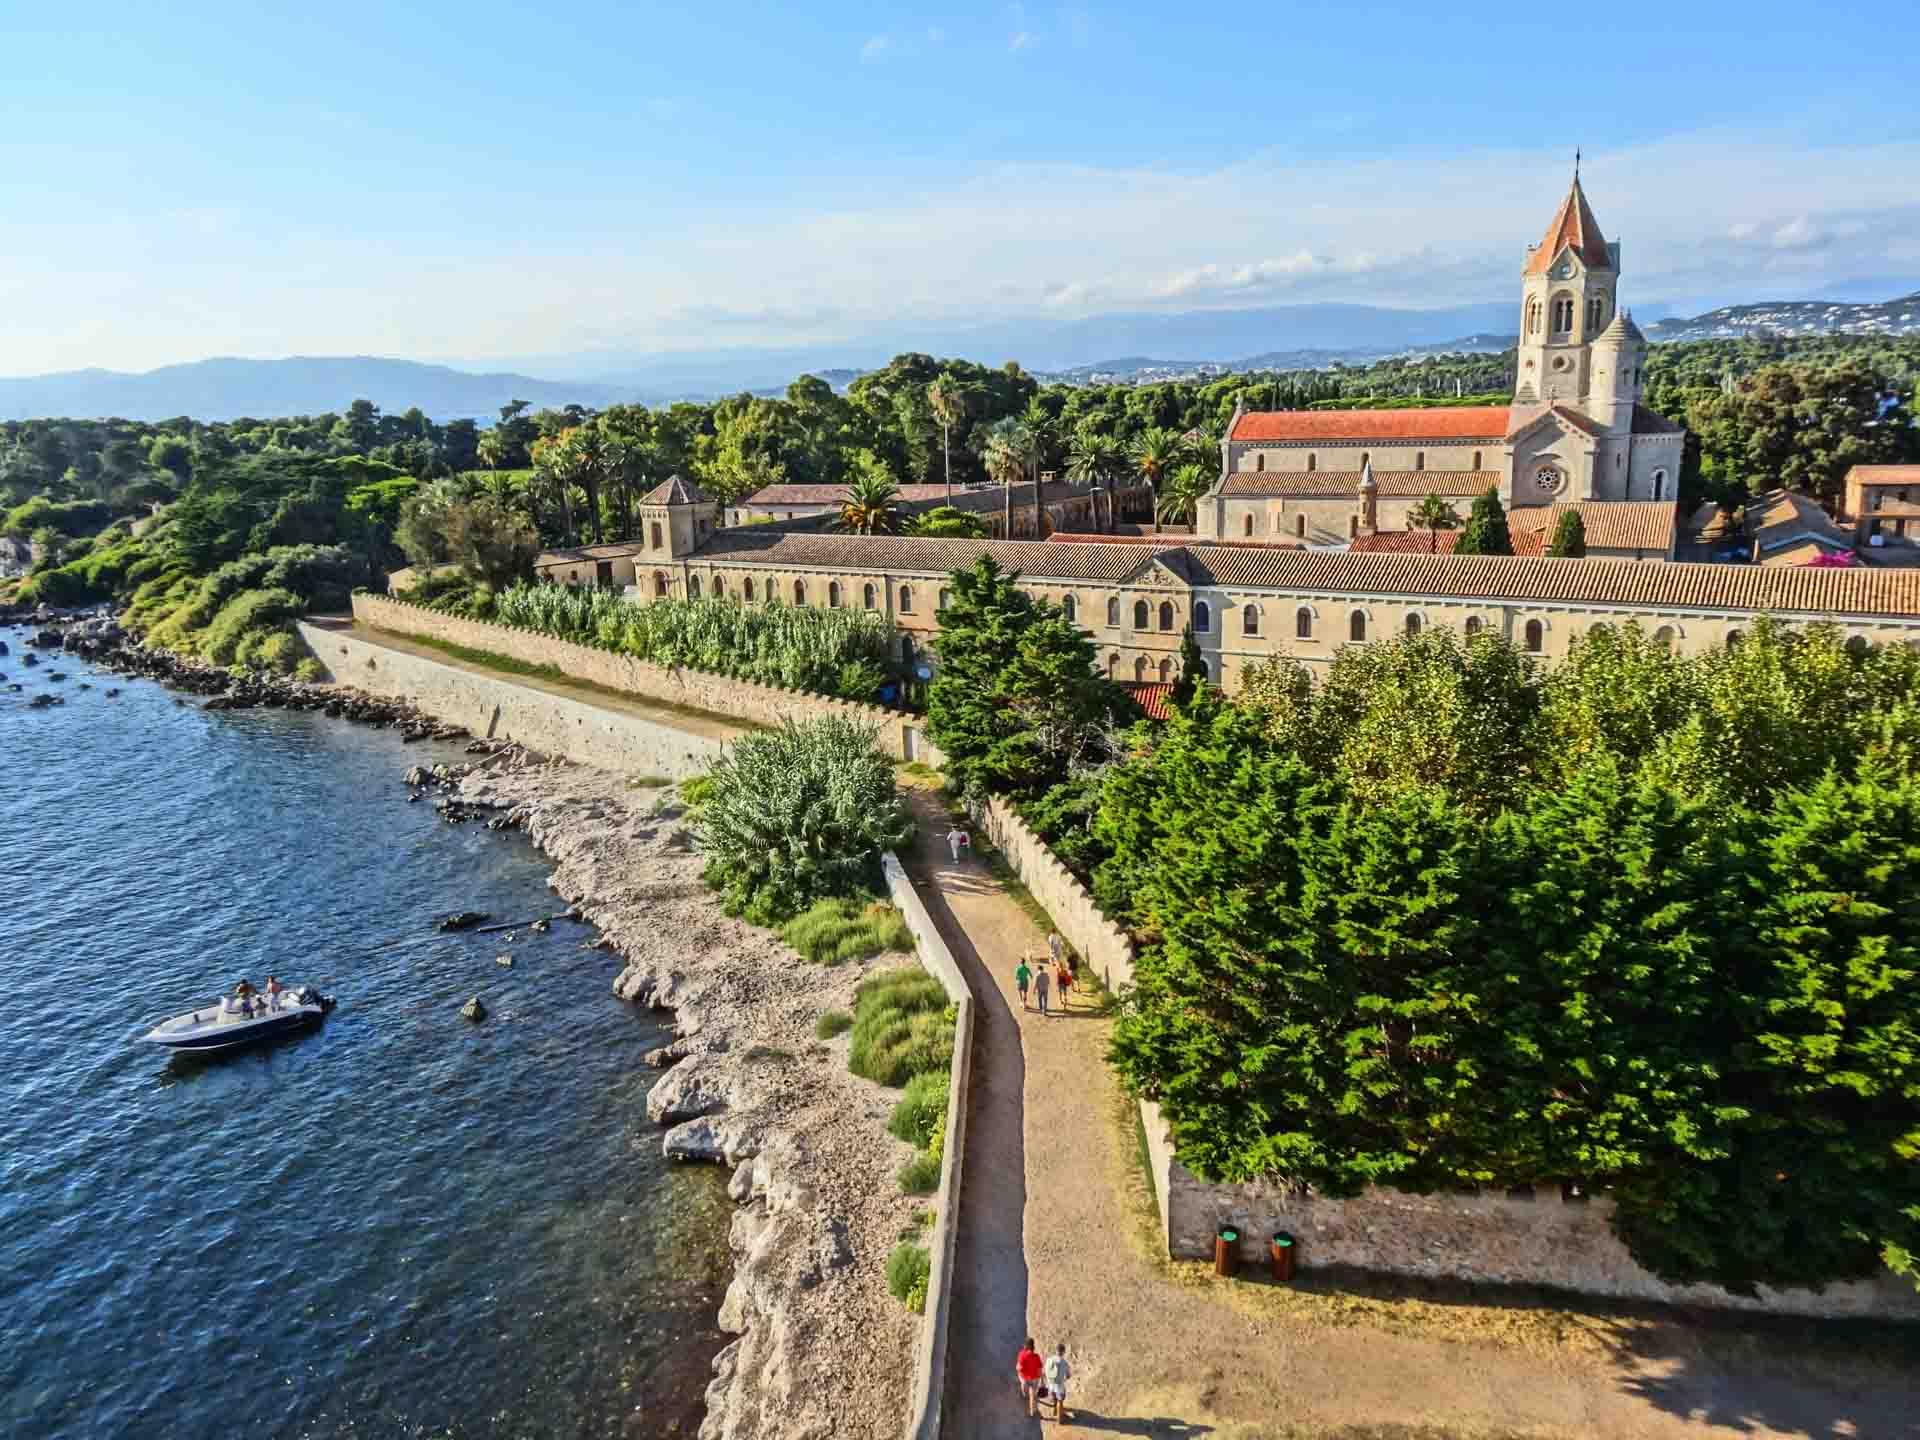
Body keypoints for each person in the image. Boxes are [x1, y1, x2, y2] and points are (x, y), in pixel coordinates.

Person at [1015, 1338, 1045, 1417]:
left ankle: (1024, 1394)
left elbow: (1019, 1368)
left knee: (1024, 1386)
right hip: (1035, 1379)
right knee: (1033, 1395)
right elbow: (1040, 1370)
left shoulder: (1022, 1354)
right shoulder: (1036, 1356)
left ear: (1025, 1346)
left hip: (1024, 1378)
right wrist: (1041, 1379)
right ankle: (1032, 1411)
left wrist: (1018, 1370)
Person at [1044, 1343, 1072, 1422]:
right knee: (1060, 1400)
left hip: (1050, 1384)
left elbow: (1046, 1371)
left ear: (1056, 1350)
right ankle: (1060, 1419)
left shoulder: (1049, 1359)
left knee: (1054, 1398)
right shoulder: (1064, 1363)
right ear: (1063, 1352)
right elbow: (1068, 1376)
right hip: (1059, 1385)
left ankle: (1054, 1411)